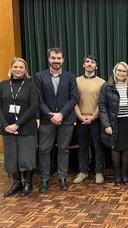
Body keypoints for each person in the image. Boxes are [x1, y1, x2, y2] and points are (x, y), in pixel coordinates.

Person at [34, 47, 79, 192]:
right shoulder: (39, 76)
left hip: (65, 120)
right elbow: (38, 100)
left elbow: (74, 98)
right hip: (47, 121)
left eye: (59, 58)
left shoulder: (70, 77)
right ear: (48, 59)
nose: (56, 61)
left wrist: (61, 114)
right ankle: (45, 179)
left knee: (63, 149)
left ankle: (62, 178)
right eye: (53, 58)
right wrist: (51, 115)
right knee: (44, 150)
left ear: (63, 60)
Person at [0, 58, 39, 197]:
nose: (18, 69)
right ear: (10, 68)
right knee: (11, 157)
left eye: (21, 67)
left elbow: (33, 107)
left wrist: (17, 124)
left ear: (25, 70)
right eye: (15, 66)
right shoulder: (3, 85)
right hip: (7, 129)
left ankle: (28, 183)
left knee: (26, 156)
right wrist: (5, 125)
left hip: (26, 127)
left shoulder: (31, 85)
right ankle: (17, 183)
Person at [99, 62, 128, 185]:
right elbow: (102, 106)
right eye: (119, 70)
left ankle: (125, 175)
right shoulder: (107, 86)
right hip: (114, 122)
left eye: (124, 71)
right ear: (114, 72)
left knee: (126, 149)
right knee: (115, 148)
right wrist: (106, 125)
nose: (121, 73)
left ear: (127, 73)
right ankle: (117, 175)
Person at [73, 55, 106, 184]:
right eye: (87, 62)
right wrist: (80, 116)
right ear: (83, 65)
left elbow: (102, 103)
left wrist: (93, 117)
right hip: (81, 119)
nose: (89, 64)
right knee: (82, 147)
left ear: (96, 66)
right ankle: (83, 172)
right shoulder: (76, 81)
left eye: (92, 62)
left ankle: (99, 172)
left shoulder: (102, 82)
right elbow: (73, 101)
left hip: (96, 119)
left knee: (98, 147)